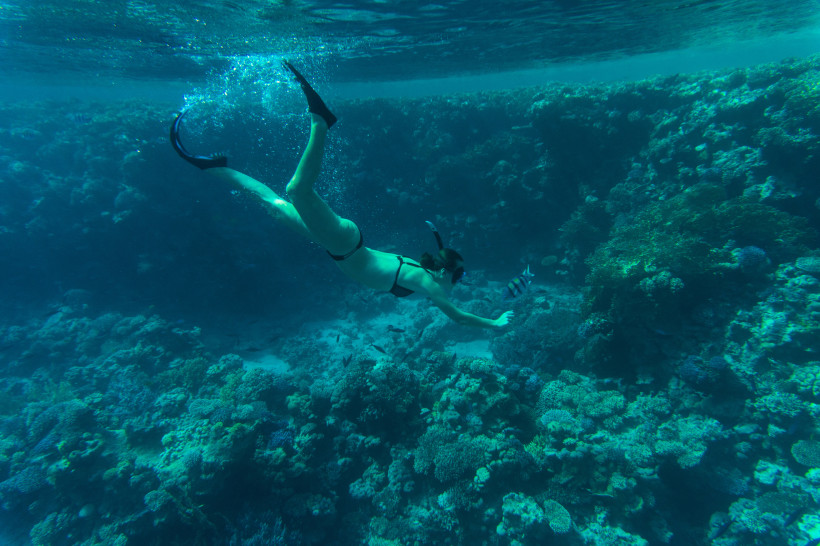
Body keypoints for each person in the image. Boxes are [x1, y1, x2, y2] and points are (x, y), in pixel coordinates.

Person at [170, 61, 513, 330]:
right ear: (444, 274)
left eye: (462, 277)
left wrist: (443, 251)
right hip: (343, 242)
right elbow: (460, 318)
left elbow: (439, 253)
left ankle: (214, 168)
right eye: (460, 275)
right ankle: (321, 121)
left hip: (337, 246)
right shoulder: (432, 283)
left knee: (274, 205)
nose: (461, 282)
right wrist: (495, 322)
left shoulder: (430, 276)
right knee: (296, 190)